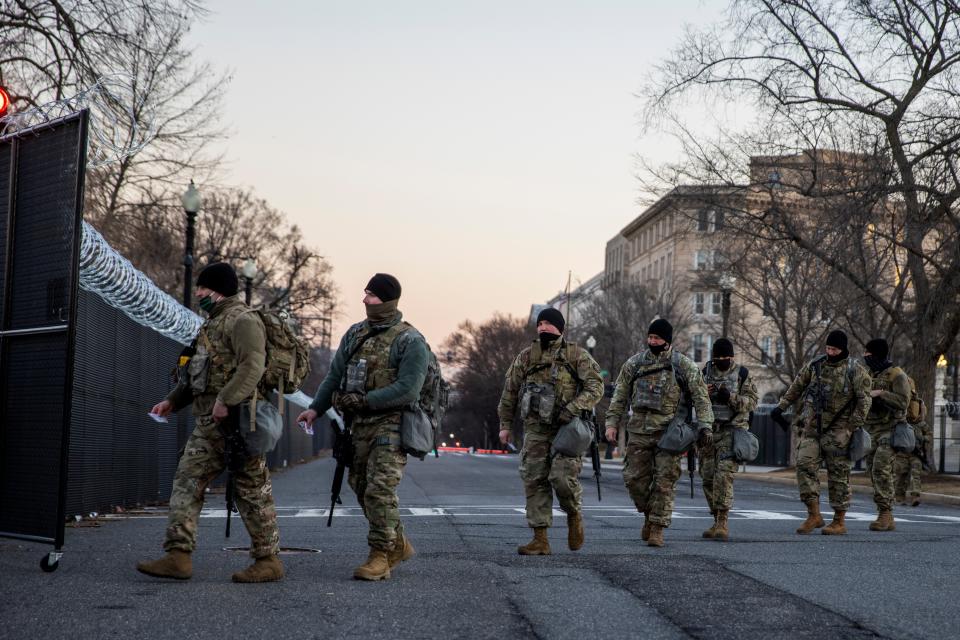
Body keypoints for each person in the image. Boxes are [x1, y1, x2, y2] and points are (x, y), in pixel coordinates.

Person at [138, 262, 283, 583]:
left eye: (202, 288)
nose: (198, 293)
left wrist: (225, 399)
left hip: (239, 423)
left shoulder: (244, 321)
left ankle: (268, 560)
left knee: (252, 490)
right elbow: (197, 375)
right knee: (187, 480)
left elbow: (253, 367)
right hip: (208, 424)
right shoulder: (211, 325)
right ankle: (178, 555)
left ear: (215, 290)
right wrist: (172, 401)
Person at [296, 274, 427, 581]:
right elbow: (334, 375)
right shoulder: (355, 335)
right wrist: (316, 408)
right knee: (361, 486)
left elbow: (409, 389)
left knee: (380, 490)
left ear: (389, 300)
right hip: (358, 427)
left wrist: (365, 400)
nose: (365, 300)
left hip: (392, 425)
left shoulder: (410, 341)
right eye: (365, 294)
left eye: (372, 295)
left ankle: (380, 555)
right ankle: (398, 543)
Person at [497, 308, 603, 555]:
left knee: (562, 479)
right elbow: (509, 392)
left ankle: (574, 514)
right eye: (540, 323)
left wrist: (574, 407)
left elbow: (596, 387)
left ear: (560, 328)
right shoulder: (526, 357)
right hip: (535, 430)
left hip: (567, 430)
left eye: (548, 323)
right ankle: (540, 539)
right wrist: (504, 425)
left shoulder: (576, 355)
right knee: (535, 481)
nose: (543, 327)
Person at [604, 319, 713, 548]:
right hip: (639, 432)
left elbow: (701, 397)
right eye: (650, 337)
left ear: (667, 341)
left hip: (669, 434)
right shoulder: (634, 364)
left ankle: (657, 528)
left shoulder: (684, 366)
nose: (652, 341)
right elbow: (620, 396)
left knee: (665, 481)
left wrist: (705, 426)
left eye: (657, 338)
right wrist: (611, 423)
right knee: (634, 479)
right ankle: (648, 514)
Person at [771, 330, 871, 536]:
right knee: (804, 465)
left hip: (839, 430)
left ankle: (839, 520)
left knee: (839, 475)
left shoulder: (855, 370)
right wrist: (781, 406)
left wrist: (851, 427)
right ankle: (814, 514)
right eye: (828, 348)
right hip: (813, 427)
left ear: (843, 349)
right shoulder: (816, 365)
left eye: (834, 349)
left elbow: (864, 401)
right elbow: (797, 385)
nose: (830, 352)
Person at [699, 338, 758, 540]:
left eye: (725, 357)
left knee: (723, 476)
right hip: (708, 432)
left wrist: (730, 397)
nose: (721, 360)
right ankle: (715, 519)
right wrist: (702, 393)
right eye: (718, 357)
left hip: (731, 432)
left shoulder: (742, 374)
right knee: (707, 477)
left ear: (731, 357)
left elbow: (751, 403)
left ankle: (723, 522)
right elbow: (690, 399)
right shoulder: (705, 373)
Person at [862, 338, 909, 532]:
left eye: (868, 353)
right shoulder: (868, 374)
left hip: (890, 429)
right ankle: (885, 512)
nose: (865, 357)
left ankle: (885, 513)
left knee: (881, 467)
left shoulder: (897, 375)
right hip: (871, 429)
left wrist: (881, 394)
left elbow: (903, 402)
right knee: (872, 470)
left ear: (876, 354)